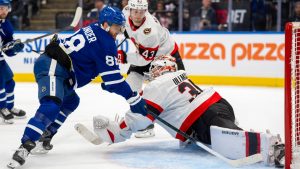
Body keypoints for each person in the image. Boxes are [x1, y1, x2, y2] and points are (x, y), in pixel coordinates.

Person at [76, 55, 285, 168]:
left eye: (154, 70)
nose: (152, 74)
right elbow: (179, 106)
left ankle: (275, 148)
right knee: (226, 133)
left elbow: (139, 119)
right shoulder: (181, 76)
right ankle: (265, 144)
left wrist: (113, 132)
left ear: (158, 71)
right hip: (219, 105)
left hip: (203, 117)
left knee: (233, 141)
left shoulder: (156, 86)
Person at [7, 6, 147, 169]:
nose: (119, 31)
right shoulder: (107, 43)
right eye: (117, 27)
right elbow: (114, 80)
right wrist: (133, 97)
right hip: (53, 67)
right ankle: (24, 147)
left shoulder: (95, 27)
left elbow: (96, 64)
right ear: (106, 25)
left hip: (61, 70)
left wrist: (107, 80)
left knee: (71, 101)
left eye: (121, 27)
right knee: (51, 104)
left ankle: (46, 135)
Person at [117, 0, 185, 138]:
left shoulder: (149, 31)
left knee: (180, 93)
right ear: (129, 9)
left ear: (146, 11)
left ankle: (194, 119)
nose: (138, 15)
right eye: (135, 11)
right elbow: (121, 28)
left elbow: (144, 60)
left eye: (142, 12)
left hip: (166, 57)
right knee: (131, 87)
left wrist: (123, 57)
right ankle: (146, 124)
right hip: (146, 55)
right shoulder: (124, 13)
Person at [0, 0, 26, 124]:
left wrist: (14, 48)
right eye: (0, 8)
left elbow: (7, 50)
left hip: (0, 60)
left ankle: (9, 107)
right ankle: (2, 108)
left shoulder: (6, 25)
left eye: (5, 8)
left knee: (10, 82)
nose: (3, 11)